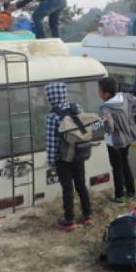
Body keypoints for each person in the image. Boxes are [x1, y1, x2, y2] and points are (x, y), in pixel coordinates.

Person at [45, 82, 92, 231]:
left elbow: (52, 142)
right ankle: (88, 216)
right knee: (81, 184)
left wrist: (51, 161)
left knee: (67, 187)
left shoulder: (52, 116)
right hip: (79, 153)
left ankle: (69, 220)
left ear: (51, 96)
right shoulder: (76, 107)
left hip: (63, 158)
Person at [98, 76, 136, 204]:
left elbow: (110, 127)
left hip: (115, 142)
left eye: (99, 90)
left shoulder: (106, 108)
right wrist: (129, 116)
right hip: (128, 137)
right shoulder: (125, 97)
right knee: (125, 163)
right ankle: (131, 192)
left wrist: (102, 124)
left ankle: (119, 197)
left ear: (106, 94)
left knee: (116, 167)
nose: (98, 92)